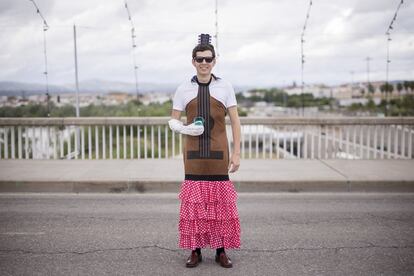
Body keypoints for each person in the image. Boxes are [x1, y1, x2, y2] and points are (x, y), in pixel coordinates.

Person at [168, 33, 241, 269]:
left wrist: (237, 152)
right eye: (199, 59)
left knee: (220, 204)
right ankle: (195, 250)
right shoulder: (183, 89)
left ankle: (221, 250)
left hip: (220, 153)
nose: (204, 63)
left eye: (208, 58)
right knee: (195, 205)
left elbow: (236, 122)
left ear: (214, 61)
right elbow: (173, 121)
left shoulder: (225, 86)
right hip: (193, 155)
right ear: (193, 61)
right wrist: (186, 129)